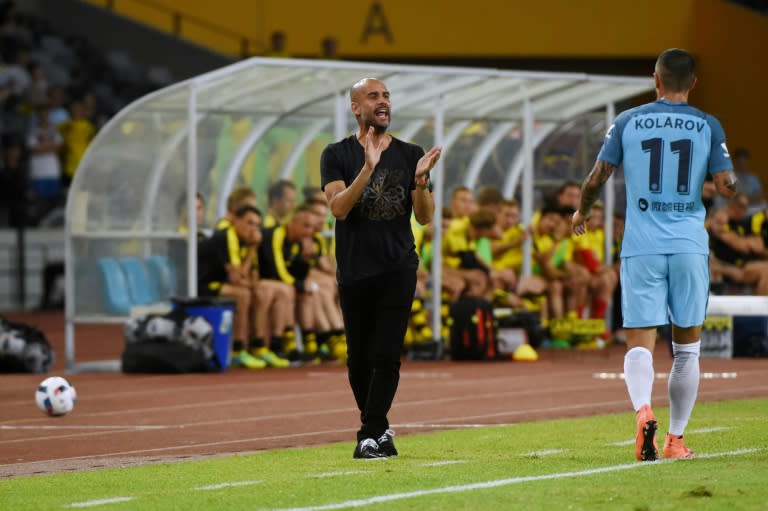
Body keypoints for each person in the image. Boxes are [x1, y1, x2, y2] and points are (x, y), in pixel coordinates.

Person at [571, 48, 738, 461]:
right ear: (693, 83)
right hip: (688, 245)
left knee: (639, 341)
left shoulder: (627, 122)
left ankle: (643, 410)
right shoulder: (707, 125)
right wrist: (720, 183)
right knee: (687, 349)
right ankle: (675, 440)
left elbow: (597, 177)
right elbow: (726, 184)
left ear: (656, 79)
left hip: (641, 245)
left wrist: (583, 210)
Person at [320, 77, 441, 459]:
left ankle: (369, 433)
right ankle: (379, 431)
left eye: (386, 95)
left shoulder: (410, 153)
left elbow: (424, 218)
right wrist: (368, 168)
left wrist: (421, 182)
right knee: (359, 358)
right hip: (355, 269)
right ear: (357, 108)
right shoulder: (336, 153)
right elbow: (338, 209)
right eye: (373, 96)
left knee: (387, 354)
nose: (383, 102)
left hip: (398, 267)